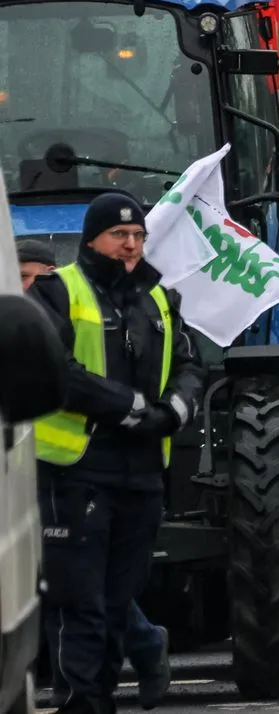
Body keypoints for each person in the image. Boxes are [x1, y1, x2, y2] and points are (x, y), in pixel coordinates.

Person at [27, 192, 205, 714]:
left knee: (114, 598)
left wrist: (173, 410)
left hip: (143, 472)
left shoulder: (159, 298)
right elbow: (55, 367)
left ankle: (104, 690)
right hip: (75, 470)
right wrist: (125, 406)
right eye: (118, 236)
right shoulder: (58, 292)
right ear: (92, 240)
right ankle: (84, 701)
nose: (130, 246)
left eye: (138, 237)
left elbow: (192, 363)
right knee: (78, 600)